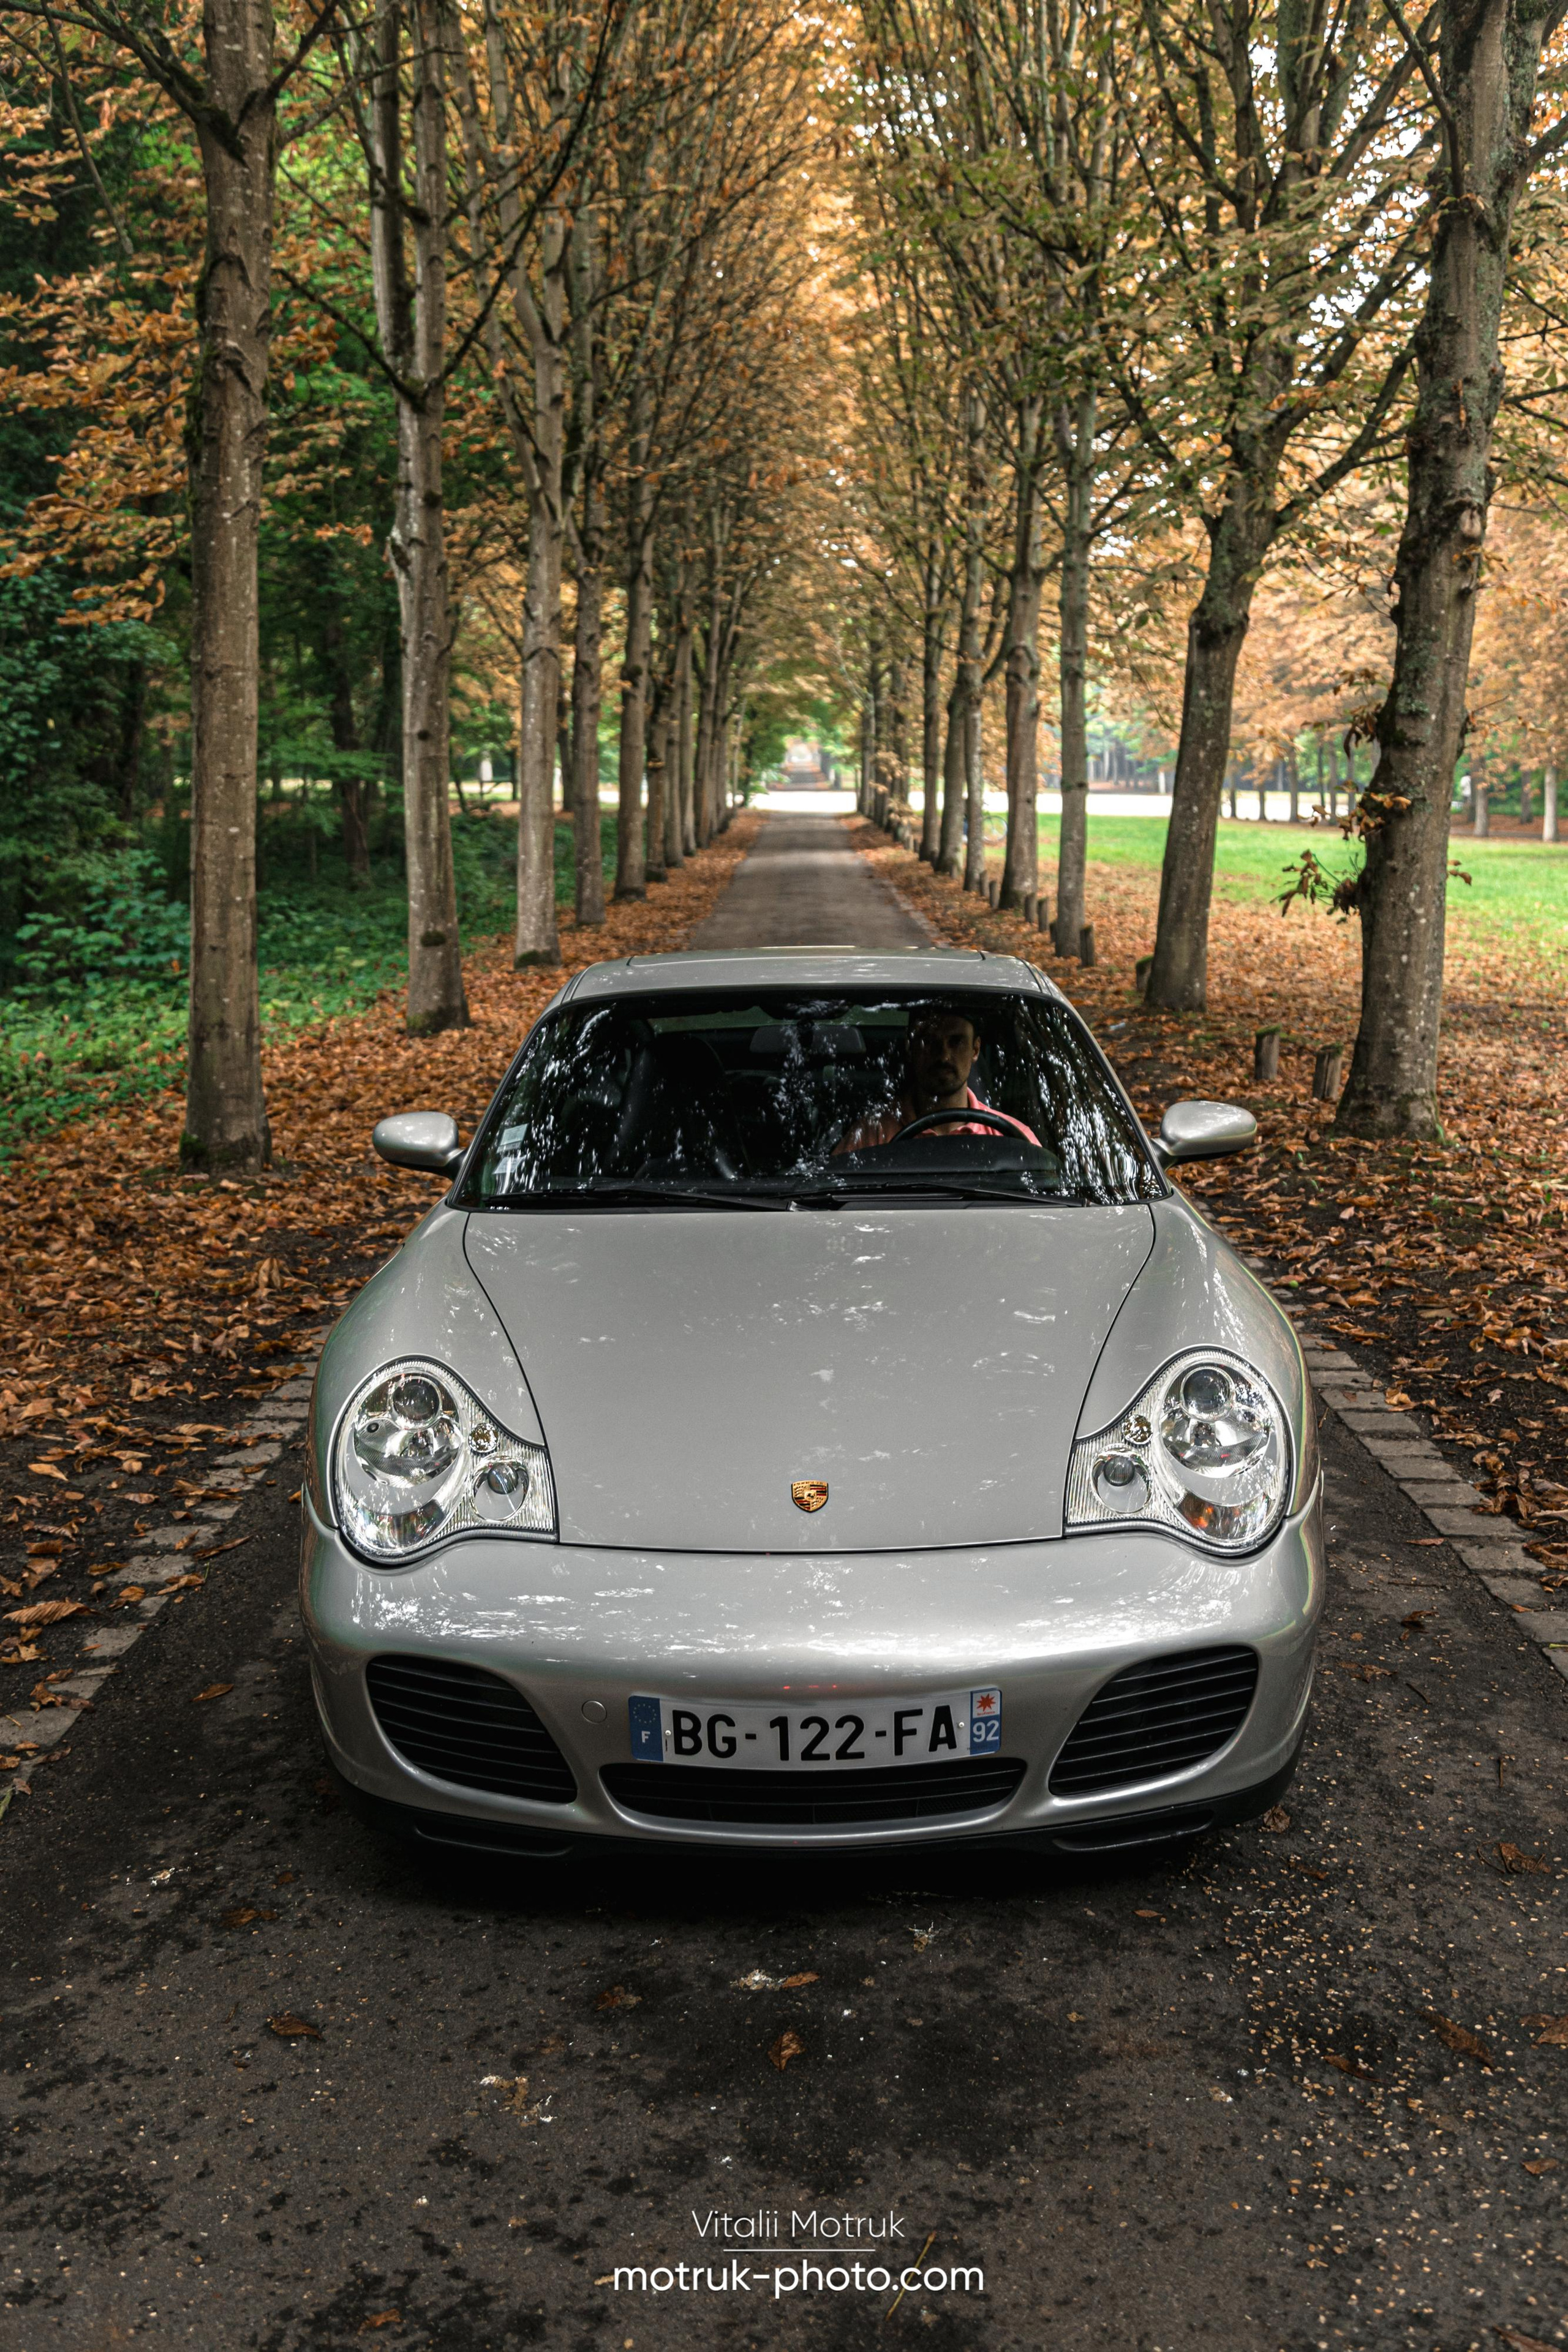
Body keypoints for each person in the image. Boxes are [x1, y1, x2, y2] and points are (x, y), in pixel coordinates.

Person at [834, 1006, 1038, 1153]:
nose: (944, 1056)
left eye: (956, 1042)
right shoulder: (871, 1135)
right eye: (929, 1041)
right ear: (910, 1047)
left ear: (975, 1050)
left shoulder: (1014, 1137)